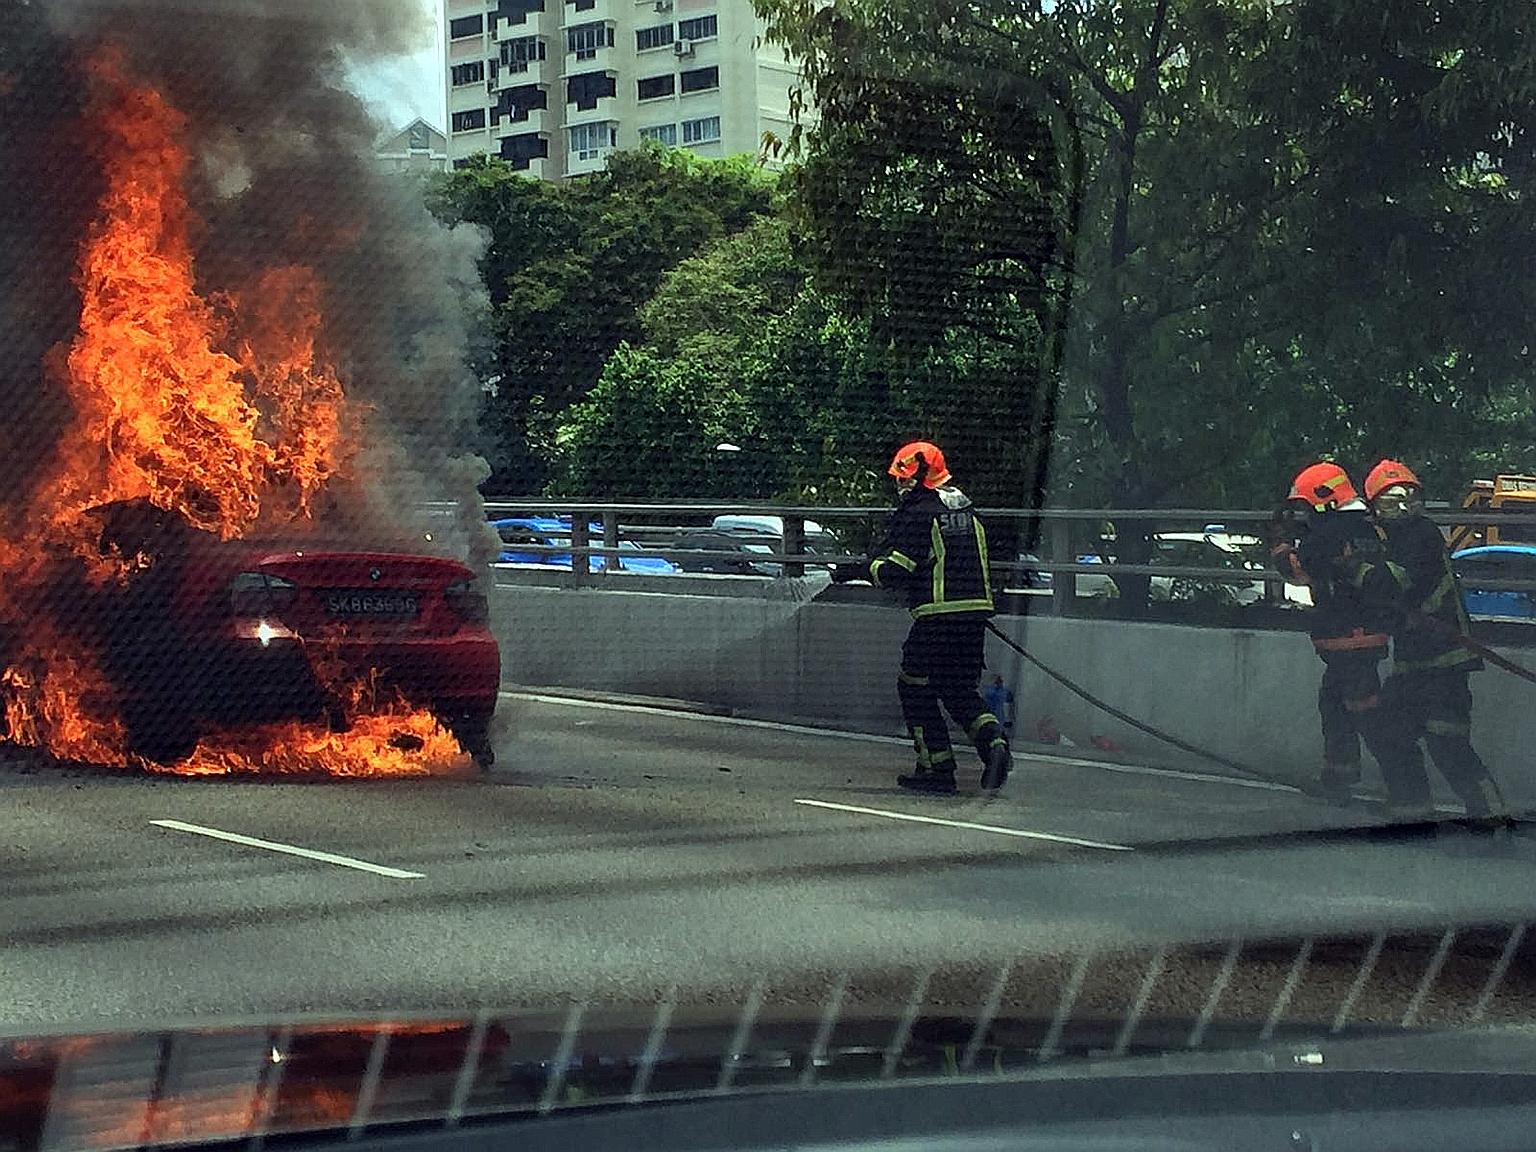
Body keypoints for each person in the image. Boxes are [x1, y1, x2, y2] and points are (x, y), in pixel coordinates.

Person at [849, 440, 1012, 795]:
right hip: (973, 617)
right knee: (957, 688)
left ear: (922, 477)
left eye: (904, 479)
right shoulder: (967, 510)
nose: (901, 486)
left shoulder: (919, 513)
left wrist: (862, 568)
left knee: (913, 685)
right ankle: (994, 742)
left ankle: (937, 768)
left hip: (936, 618)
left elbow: (897, 571)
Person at [1272, 462, 1431, 814]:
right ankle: (1338, 778)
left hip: (1348, 640)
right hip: (1362, 637)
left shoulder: (1328, 533)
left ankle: (1411, 795)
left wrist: (1281, 544)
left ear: (1324, 500)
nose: (1303, 513)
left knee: (1370, 716)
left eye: (1305, 506)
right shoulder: (1368, 529)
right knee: (1334, 705)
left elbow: (1298, 571)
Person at [1364, 459, 1504, 819]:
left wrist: (1353, 568)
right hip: (1416, 662)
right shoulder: (1395, 539)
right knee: (1388, 728)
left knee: (1447, 742)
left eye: (1409, 497)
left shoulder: (1420, 535)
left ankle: (1494, 818)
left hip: (1446, 661)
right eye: (1392, 499)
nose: (1403, 505)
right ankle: (1412, 807)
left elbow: (1392, 582)